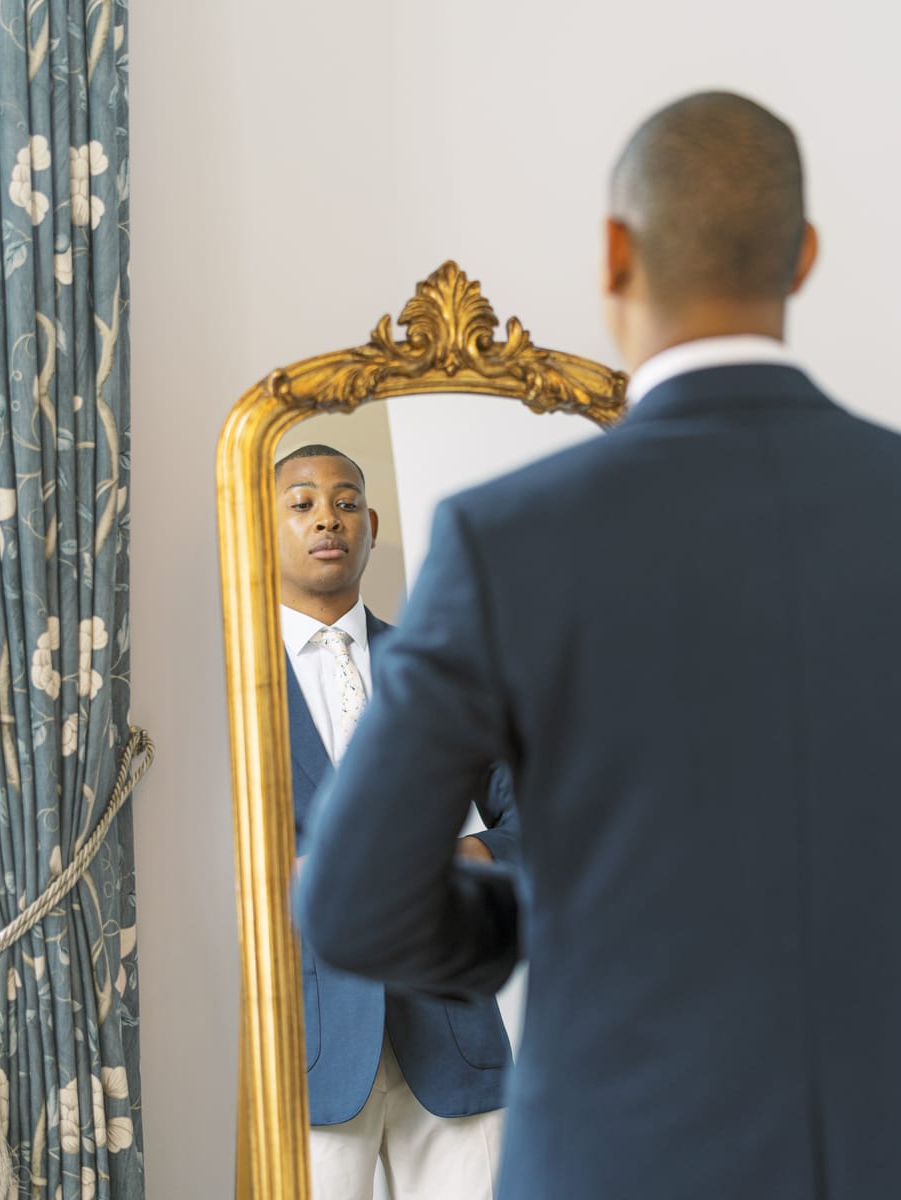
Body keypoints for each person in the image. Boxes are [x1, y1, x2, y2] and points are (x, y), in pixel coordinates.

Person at [296, 92, 901, 1200]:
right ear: (804, 256)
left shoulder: (505, 539)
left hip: (620, 1157)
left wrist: (548, 907)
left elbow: (354, 900)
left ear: (616, 252)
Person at [278, 443, 517, 1200]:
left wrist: (456, 861)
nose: (328, 518)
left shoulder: (438, 666)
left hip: (451, 1037)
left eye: (347, 503)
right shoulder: (233, 683)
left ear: (372, 526)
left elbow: (538, 812)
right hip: (309, 1051)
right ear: (262, 529)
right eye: (302, 503)